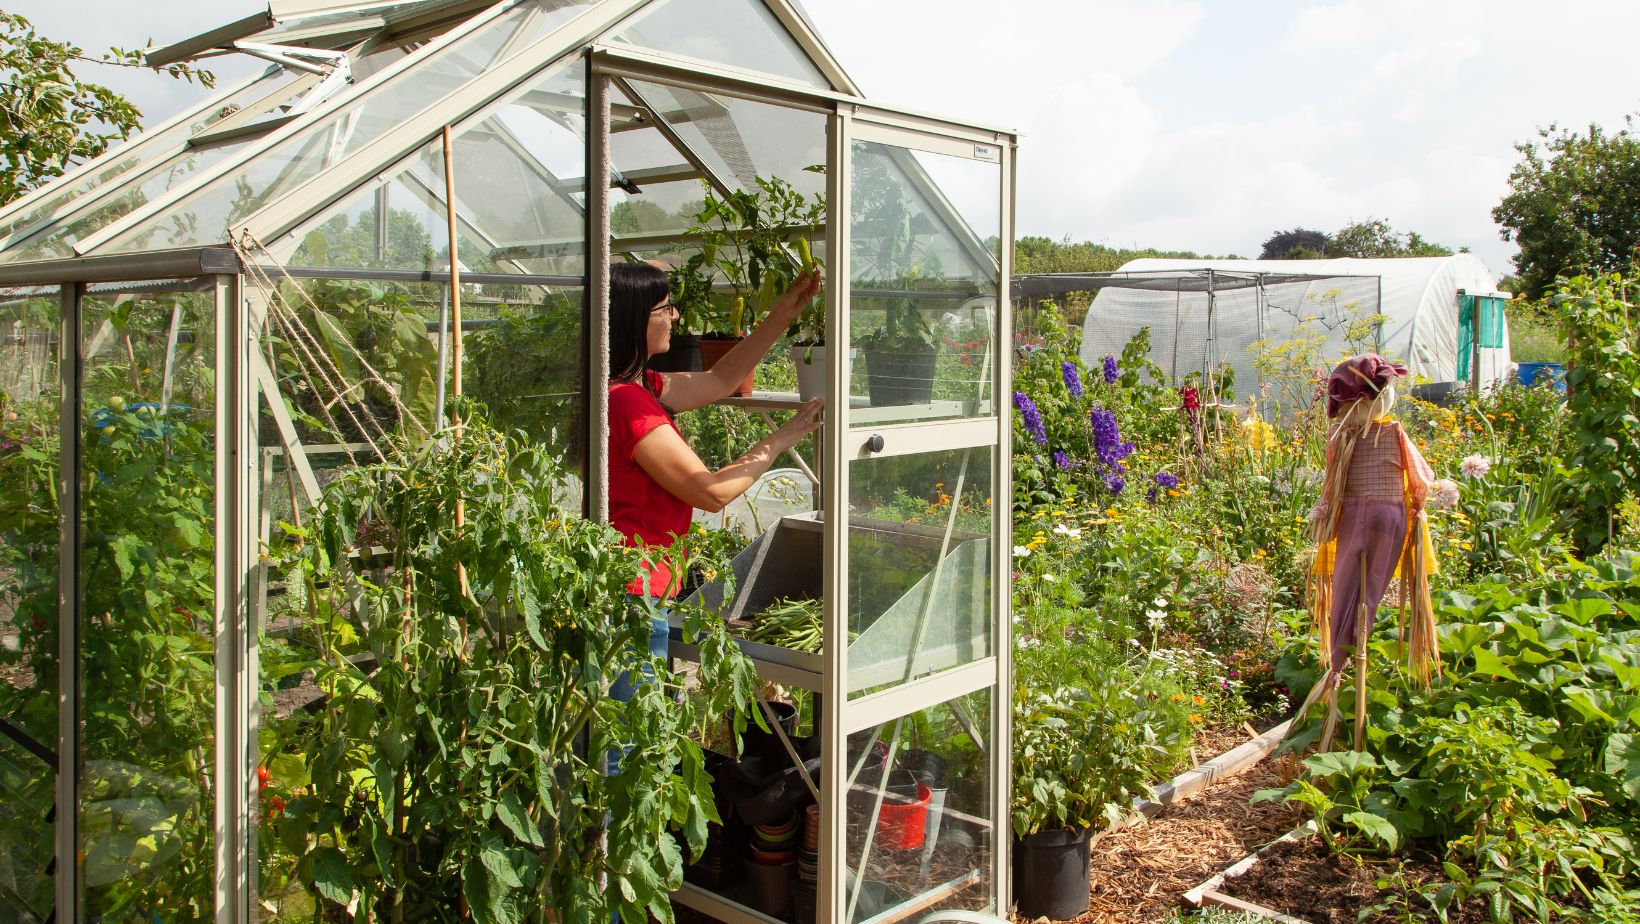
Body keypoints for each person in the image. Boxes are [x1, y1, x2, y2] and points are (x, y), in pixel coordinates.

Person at [605, 261, 824, 692]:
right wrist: (778, 441)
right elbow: (711, 491)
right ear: (635, 317)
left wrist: (783, 313)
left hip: (639, 586)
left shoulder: (642, 385)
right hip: (632, 592)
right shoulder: (627, 402)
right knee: (624, 740)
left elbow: (722, 377)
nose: (675, 318)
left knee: (627, 729)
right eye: (666, 308)